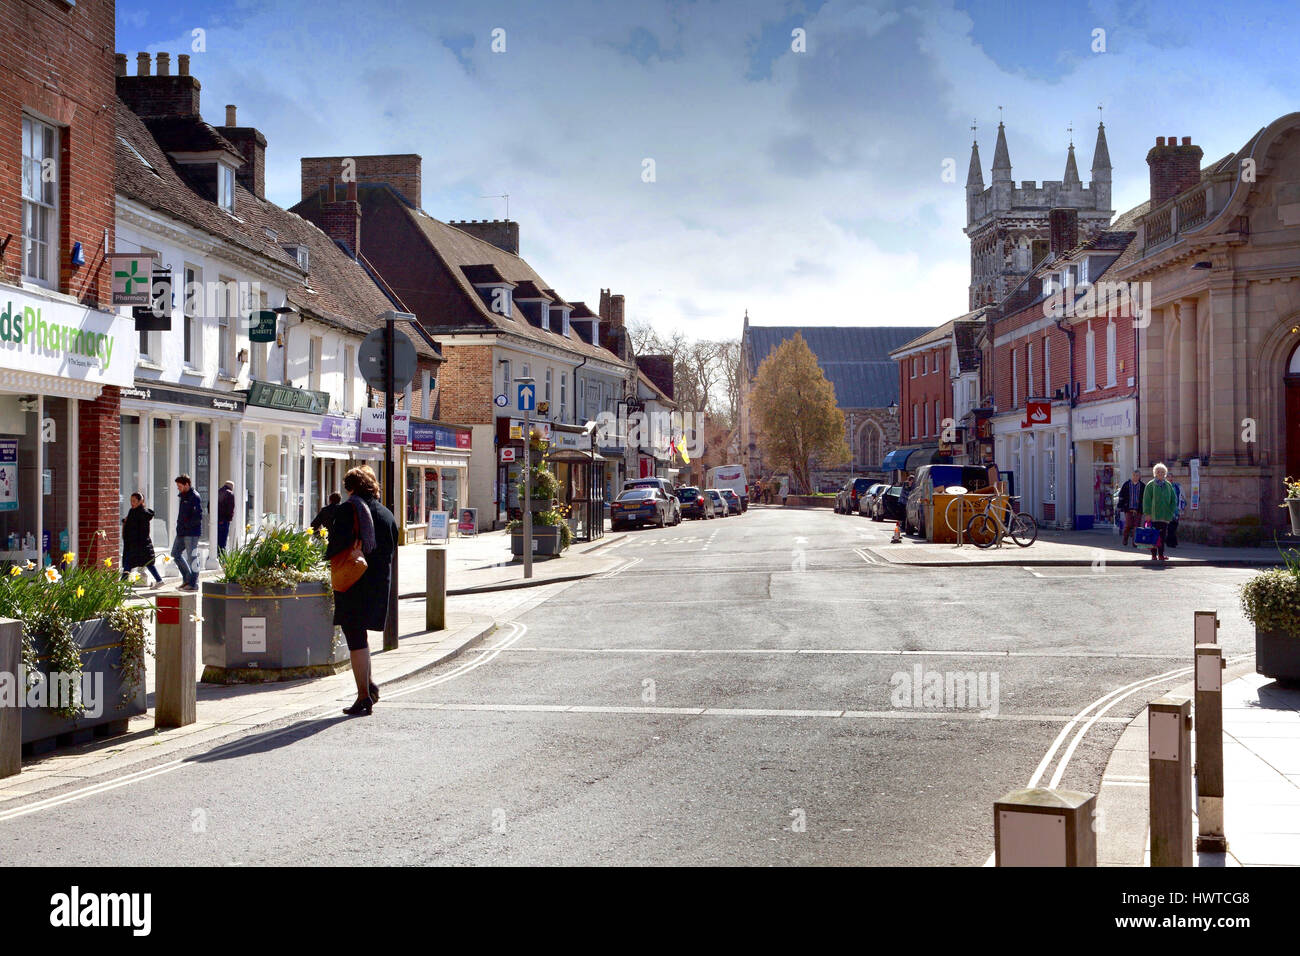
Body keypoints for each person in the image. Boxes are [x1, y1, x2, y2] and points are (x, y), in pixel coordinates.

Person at [326, 466, 397, 717]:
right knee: (362, 639)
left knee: (355, 638)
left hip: (354, 581)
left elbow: (336, 545)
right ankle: (369, 685)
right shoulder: (387, 513)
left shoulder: (349, 509)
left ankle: (363, 696)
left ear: (350, 487)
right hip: (378, 584)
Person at [121, 493, 163, 588]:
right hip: (134, 544)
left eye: (134, 501)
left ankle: (122, 582)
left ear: (140, 501)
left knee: (142, 563)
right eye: (131, 501)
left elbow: (140, 530)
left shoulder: (142, 513)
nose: (132, 503)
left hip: (141, 544)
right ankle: (159, 580)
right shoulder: (133, 511)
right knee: (140, 563)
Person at [1141, 463, 1178, 562]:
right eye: (1158, 472)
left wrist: (1170, 512)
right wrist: (1147, 513)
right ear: (1155, 473)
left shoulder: (1168, 485)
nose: (1160, 473)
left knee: (1162, 537)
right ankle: (1154, 555)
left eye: (1162, 472)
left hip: (1164, 516)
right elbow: (1146, 500)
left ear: (1165, 473)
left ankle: (1161, 555)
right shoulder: (1150, 485)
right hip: (1153, 516)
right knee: (1153, 536)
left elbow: (1173, 500)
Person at [171, 474, 203, 591]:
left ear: (187, 484)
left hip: (191, 533)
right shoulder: (183, 496)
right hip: (181, 532)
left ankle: (193, 584)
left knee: (192, 558)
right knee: (175, 553)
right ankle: (187, 579)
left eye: (179, 486)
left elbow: (198, 517)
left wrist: (186, 525)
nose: (178, 488)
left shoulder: (194, 497)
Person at [1116, 470, 1145, 547]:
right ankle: (1125, 538)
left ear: (1139, 476)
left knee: (1136, 526)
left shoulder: (1142, 486)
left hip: (1138, 509)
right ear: (1132, 476)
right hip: (1128, 508)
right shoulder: (1126, 484)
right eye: (1134, 475)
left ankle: (1134, 542)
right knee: (1128, 525)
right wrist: (1119, 506)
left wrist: (1144, 507)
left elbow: (1145, 498)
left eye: (1137, 475)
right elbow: (1121, 495)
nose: (1136, 477)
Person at [217, 480, 235, 552]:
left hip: (216, 520)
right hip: (224, 520)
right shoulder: (230, 494)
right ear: (232, 487)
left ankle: (214, 557)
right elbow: (230, 509)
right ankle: (222, 560)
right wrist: (229, 519)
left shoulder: (217, 492)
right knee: (222, 542)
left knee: (216, 541)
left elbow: (209, 505)